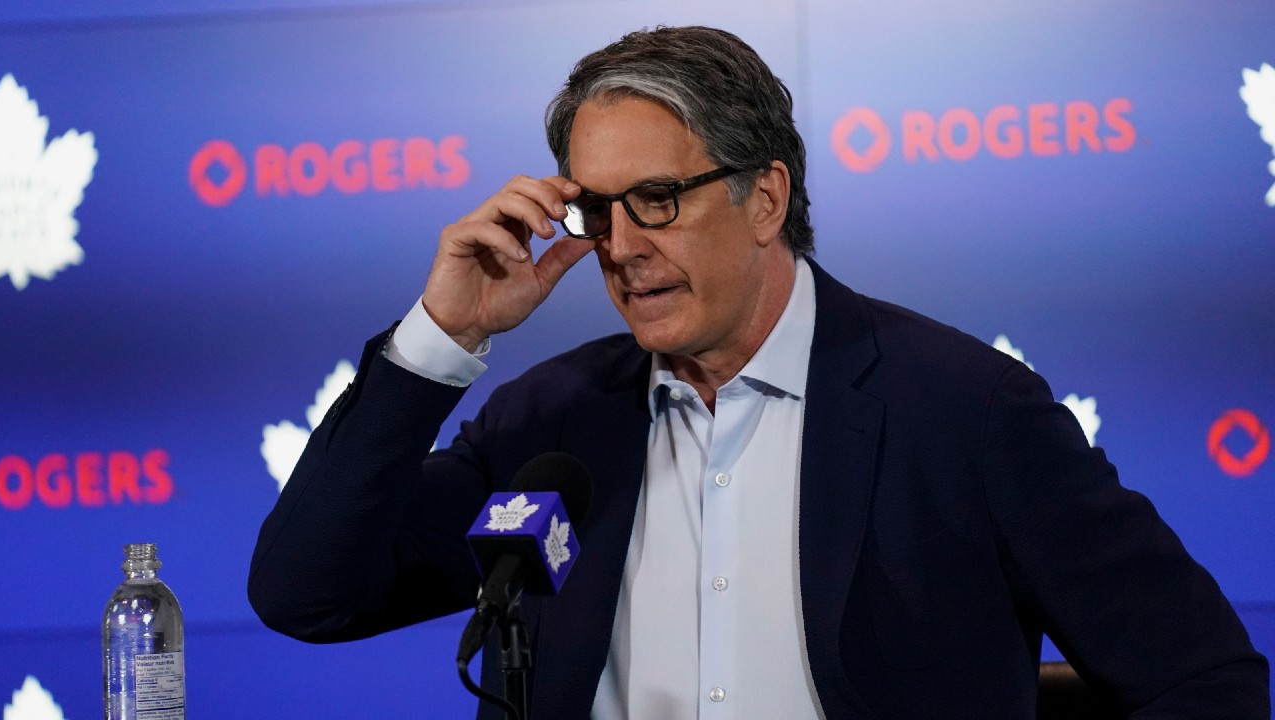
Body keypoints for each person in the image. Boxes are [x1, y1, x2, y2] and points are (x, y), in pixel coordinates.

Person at [249, 26, 1269, 719]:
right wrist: (438, 337)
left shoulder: (961, 411)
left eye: (655, 198)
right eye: (595, 212)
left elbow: (1203, 682)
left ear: (765, 197)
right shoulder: (550, 424)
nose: (620, 246)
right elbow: (309, 595)